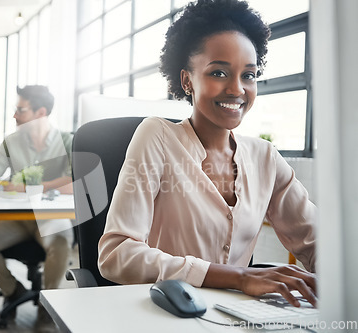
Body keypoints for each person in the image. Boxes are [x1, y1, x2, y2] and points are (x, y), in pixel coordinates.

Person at [98, 0, 317, 309]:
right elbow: (116, 254)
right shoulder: (157, 137)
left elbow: (316, 240)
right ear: (187, 80)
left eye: (249, 75)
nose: (237, 89)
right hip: (164, 313)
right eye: (219, 73)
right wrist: (239, 276)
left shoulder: (265, 157)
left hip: (237, 318)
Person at [0, 85, 73, 332]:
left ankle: (47, 309)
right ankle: (14, 291)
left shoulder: (67, 141)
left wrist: (32, 186)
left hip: (50, 218)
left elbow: (74, 182)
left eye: (20, 110)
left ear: (40, 112)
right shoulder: (12, 142)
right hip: (16, 218)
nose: (15, 115)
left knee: (61, 240)